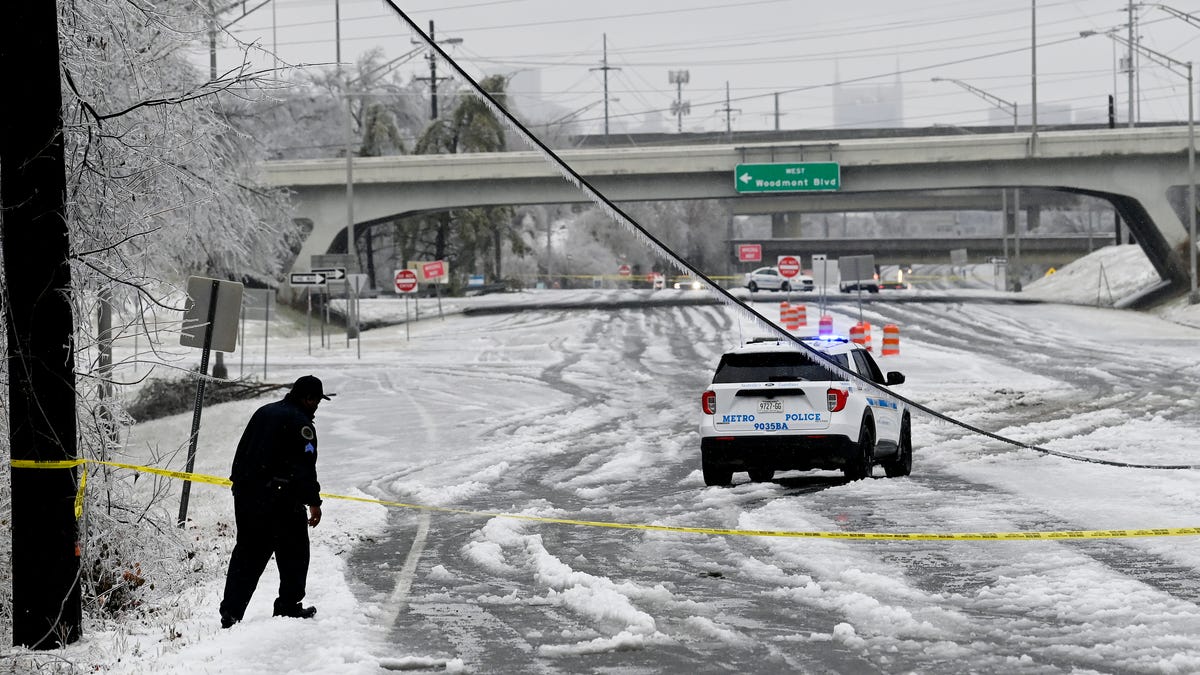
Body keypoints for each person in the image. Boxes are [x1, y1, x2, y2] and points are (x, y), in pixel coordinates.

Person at [219, 375, 331, 629]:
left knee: (247, 553)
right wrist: (313, 502)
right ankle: (288, 606)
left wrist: (243, 486)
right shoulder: (301, 424)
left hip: (246, 495)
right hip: (280, 500)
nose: (317, 407)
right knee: (295, 552)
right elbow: (305, 468)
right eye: (316, 402)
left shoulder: (264, 412)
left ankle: (231, 612)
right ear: (309, 398)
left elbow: (243, 451)